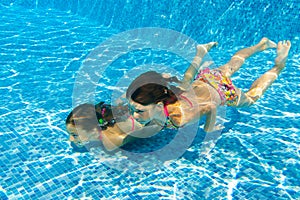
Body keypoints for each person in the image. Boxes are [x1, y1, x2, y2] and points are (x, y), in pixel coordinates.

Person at [66, 42, 218, 151]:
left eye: (74, 135)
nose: (71, 140)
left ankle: (200, 53)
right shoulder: (107, 119)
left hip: (161, 107)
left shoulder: (113, 141)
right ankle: (198, 58)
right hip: (146, 104)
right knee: (186, 83)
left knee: (188, 85)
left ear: (93, 128)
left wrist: (208, 130)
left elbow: (151, 129)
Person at [126, 38, 291, 132]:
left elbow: (211, 106)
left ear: (159, 105)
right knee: (232, 63)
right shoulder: (170, 94)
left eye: (138, 111)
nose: (133, 115)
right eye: (133, 110)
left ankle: (278, 66)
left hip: (222, 91)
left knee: (251, 98)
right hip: (208, 78)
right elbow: (188, 77)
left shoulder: (182, 118)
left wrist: (207, 129)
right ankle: (259, 45)